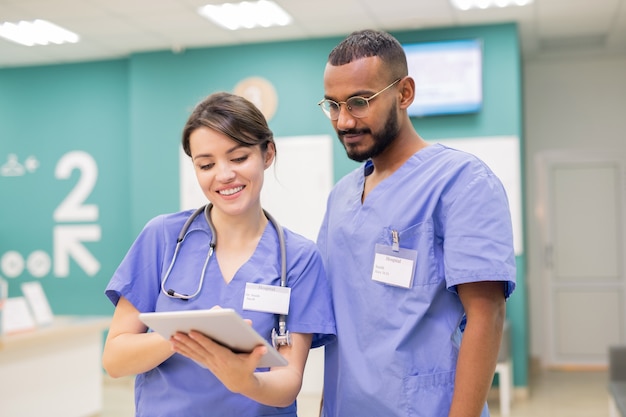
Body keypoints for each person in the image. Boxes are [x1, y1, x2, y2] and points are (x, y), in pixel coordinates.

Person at [315, 29, 516, 417]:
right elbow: (343, 320)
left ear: (404, 93)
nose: (343, 120)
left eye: (359, 102)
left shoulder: (461, 181)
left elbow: (486, 314)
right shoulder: (341, 197)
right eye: (333, 105)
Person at [102, 92, 336, 417]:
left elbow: (288, 381)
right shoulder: (163, 238)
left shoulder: (297, 258)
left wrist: (246, 382)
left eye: (238, 158)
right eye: (206, 164)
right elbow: (114, 359)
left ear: (268, 154)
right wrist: (190, 336)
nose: (223, 175)